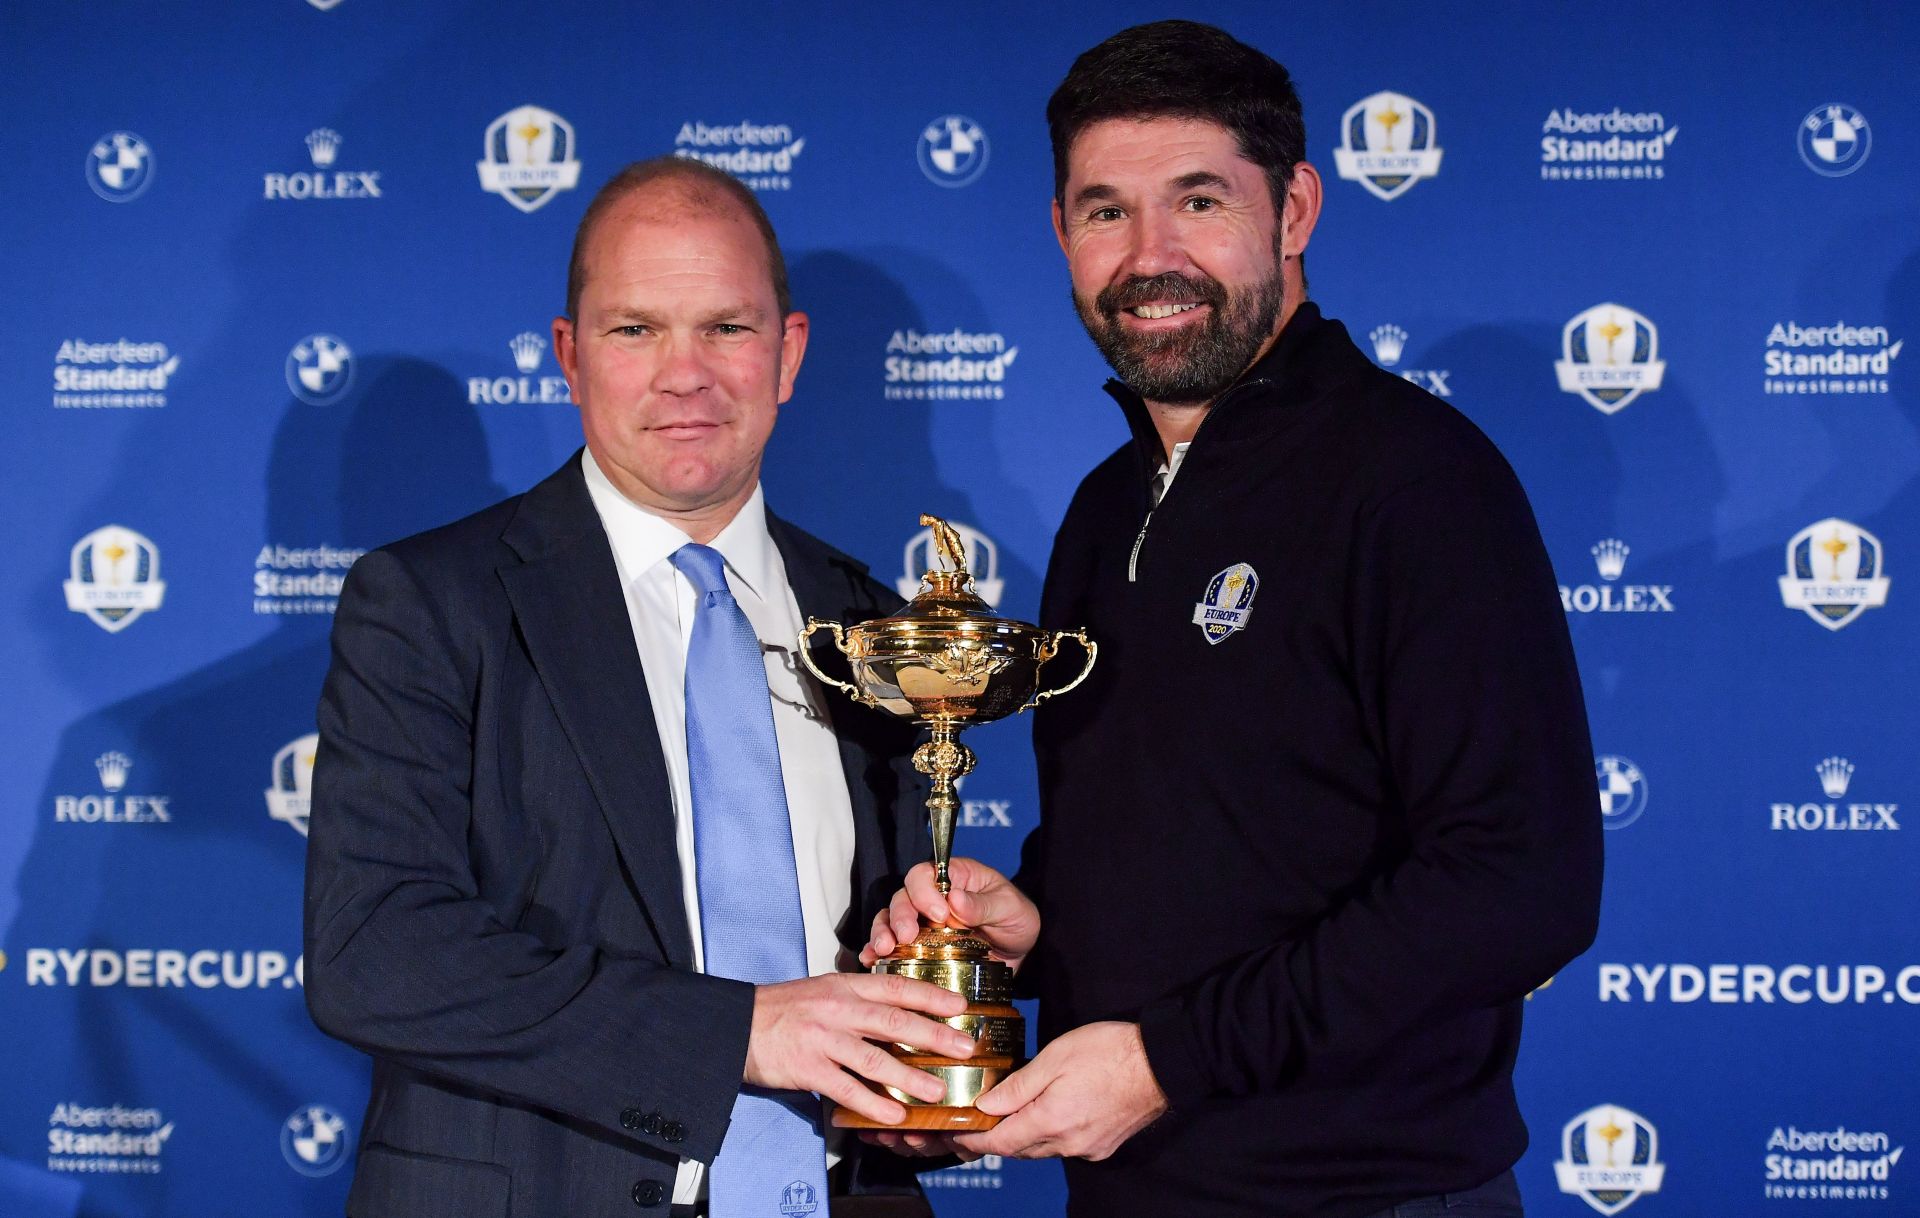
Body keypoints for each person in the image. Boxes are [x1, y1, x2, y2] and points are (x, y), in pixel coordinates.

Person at [863, 21, 1603, 1218]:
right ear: (1060, 233)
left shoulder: (1417, 480)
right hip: (1134, 1193)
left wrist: (1166, 1061)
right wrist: (1038, 928)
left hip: (1367, 1197)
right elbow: (1205, 847)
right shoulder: (1107, 509)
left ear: (1294, 209)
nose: (1151, 256)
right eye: (1106, 212)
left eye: (1198, 201)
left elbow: (1520, 886)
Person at [304, 157, 976, 1218]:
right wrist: (738, 1035)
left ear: (788, 354)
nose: (686, 375)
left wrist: (918, 1069)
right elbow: (375, 950)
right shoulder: (432, 602)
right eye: (635, 330)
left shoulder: (871, 622)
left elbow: (877, 969)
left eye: (727, 328)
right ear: (569, 357)